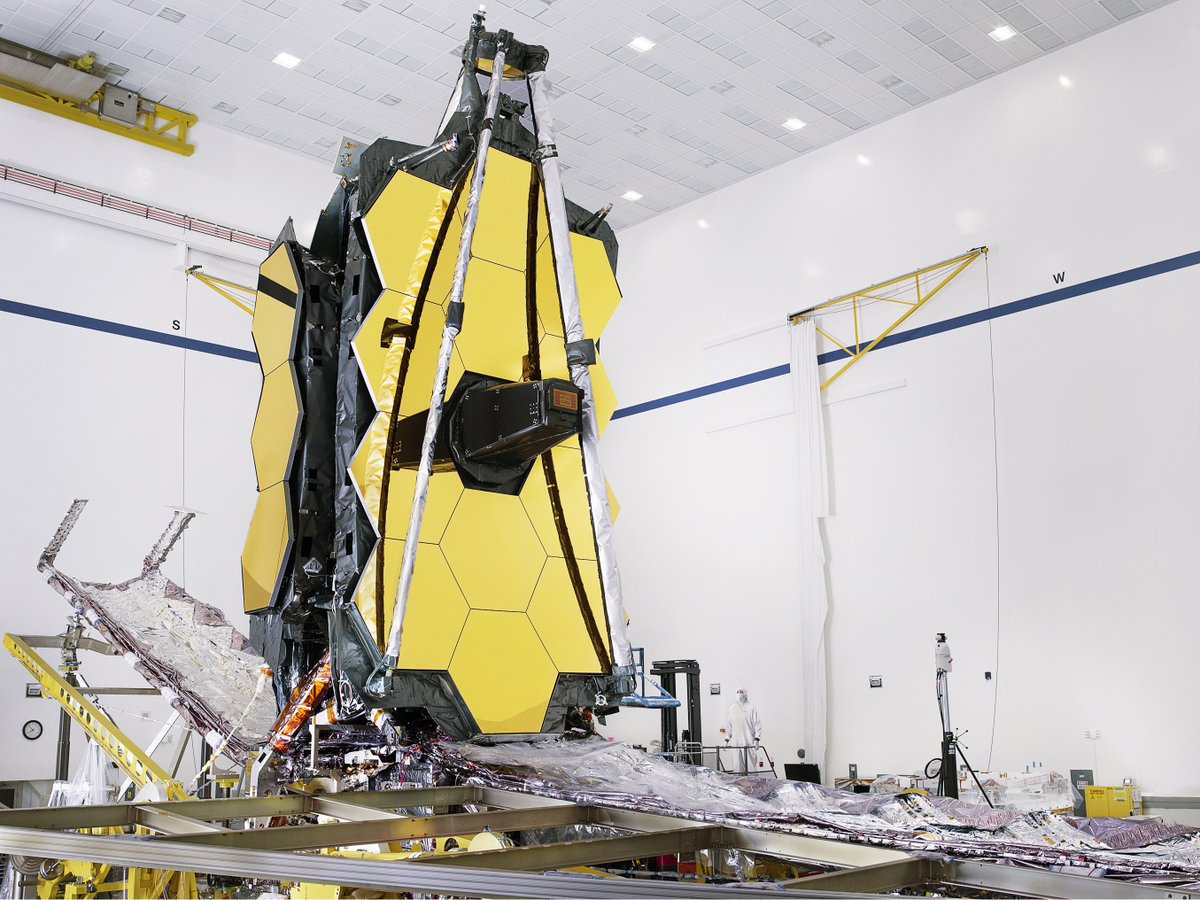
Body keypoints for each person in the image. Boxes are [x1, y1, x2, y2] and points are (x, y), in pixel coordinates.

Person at [725, 688, 762, 774]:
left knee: (751, 767)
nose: (739, 694)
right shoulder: (732, 708)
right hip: (736, 744)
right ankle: (739, 782)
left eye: (741, 692)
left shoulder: (751, 708)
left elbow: (757, 724)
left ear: (745, 694)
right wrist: (726, 739)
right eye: (737, 692)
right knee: (737, 768)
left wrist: (757, 739)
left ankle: (753, 782)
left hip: (748, 742)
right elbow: (729, 725)